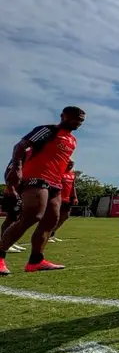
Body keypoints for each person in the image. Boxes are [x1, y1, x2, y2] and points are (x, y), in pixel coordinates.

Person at [0, 106, 85, 275]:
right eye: (75, 118)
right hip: (36, 178)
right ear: (64, 116)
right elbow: (20, 146)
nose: (78, 122)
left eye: (81, 120)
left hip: (55, 184)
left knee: (51, 220)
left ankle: (35, 261)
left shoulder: (73, 140)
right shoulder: (48, 130)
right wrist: (16, 168)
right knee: (31, 217)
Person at [49, 160, 77, 242]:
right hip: (58, 198)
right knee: (55, 217)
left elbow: (73, 186)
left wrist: (75, 197)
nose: (70, 166)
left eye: (72, 164)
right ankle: (48, 233)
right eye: (69, 164)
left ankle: (52, 233)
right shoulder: (59, 172)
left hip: (67, 199)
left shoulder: (72, 175)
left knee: (65, 216)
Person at [1, 180, 27, 253]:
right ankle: (4, 243)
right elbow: (9, 178)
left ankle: (9, 242)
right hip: (12, 195)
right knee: (10, 219)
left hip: (17, 194)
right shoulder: (16, 168)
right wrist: (13, 191)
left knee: (15, 219)